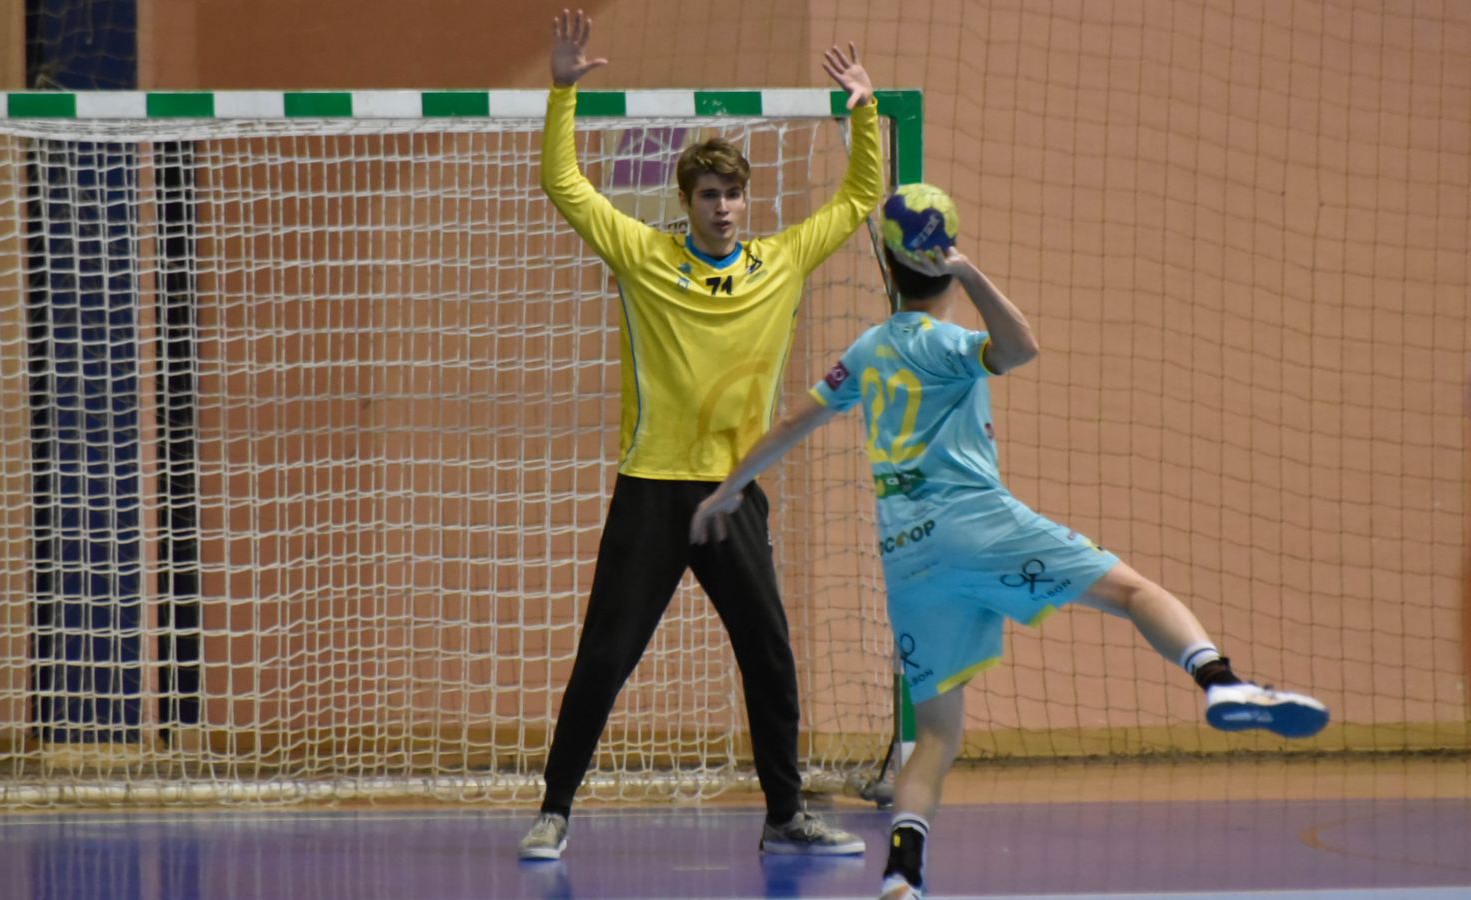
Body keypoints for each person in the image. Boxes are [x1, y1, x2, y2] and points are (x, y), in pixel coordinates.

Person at [689, 192, 1330, 899]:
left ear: (889, 267)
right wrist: (969, 271)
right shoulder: (946, 345)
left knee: (937, 736)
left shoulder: (866, 352)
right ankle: (1221, 682)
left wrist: (727, 489)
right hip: (978, 523)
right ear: (941, 263)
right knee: (1132, 592)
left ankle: (902, 873)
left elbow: (790, 423)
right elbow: (1021, 347)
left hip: (907, 557)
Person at [517, 9, 885, 860]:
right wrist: (562, 92)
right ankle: (554, 811)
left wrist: (863, 110)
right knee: (605, 656)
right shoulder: (644, 256)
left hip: (733, 491)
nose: (724, 207)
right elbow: (565, 185)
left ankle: (784, 814)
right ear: (686, 203)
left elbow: (859, 197)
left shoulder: (779, 262)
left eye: (733, 194)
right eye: (710, 195)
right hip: (652, 488)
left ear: (747, 201)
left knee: (770, 655)